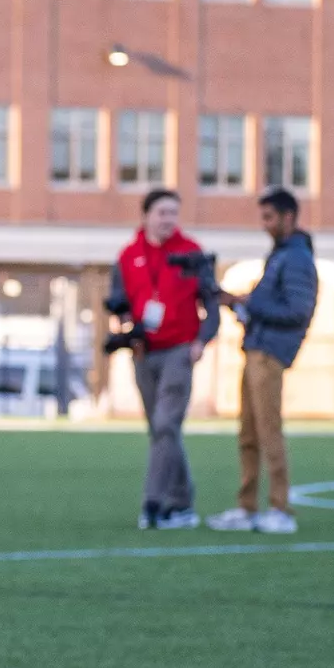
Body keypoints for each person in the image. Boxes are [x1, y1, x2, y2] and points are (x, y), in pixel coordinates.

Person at [208, 187, 319, 536]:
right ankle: (247, 506)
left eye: (269, 217)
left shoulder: (297, 259)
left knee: (268, 432)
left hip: (270, 354)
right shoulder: (280, 255)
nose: (264, 224)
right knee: (248, 433)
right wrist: (239, 304)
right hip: (255, 348)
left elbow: (297, 311)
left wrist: (250, 304)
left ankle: (279, 508)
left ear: (289, 217)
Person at [106, 189, 219, 530]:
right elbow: (118, 301)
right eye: (162, 212)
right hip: (144, 353)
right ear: (146, 216)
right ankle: (183, 504)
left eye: (174, 212)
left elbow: (211, 303)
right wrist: (126, 327)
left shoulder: (192, 253)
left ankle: (154, 504)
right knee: (160, 430)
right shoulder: (128, 256)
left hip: (179, 350)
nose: (168, 219)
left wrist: (201, 341)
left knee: (167, 425)